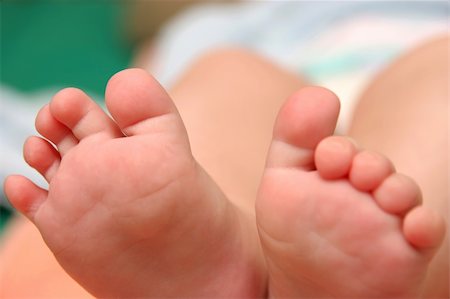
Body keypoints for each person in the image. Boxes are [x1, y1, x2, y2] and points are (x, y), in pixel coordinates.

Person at [2, 32, 448, 298]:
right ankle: (243, 264)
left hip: (411, 39)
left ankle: (264, 275)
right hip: (286, 57)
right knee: (225, 67)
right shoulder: (213, 23)